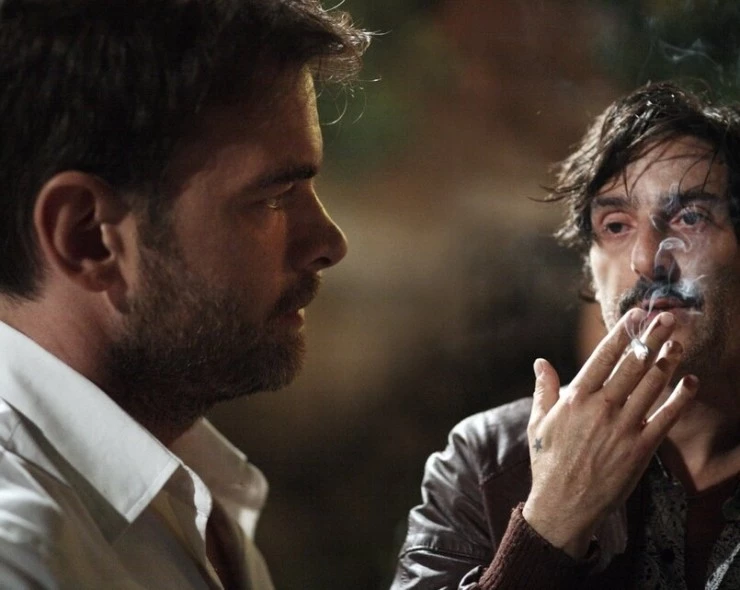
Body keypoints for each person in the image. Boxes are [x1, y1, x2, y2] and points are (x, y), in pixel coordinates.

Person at [0, 0, 369, 588]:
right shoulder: (21, 551)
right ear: (88, 238)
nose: (328, 243)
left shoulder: (179, 475)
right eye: (273, 197)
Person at [391, 81, 740, 589]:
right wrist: (552, 521)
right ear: (589, 272)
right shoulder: (487, 464)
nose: (647, 260)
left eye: (691, 217)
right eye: (615, 225)